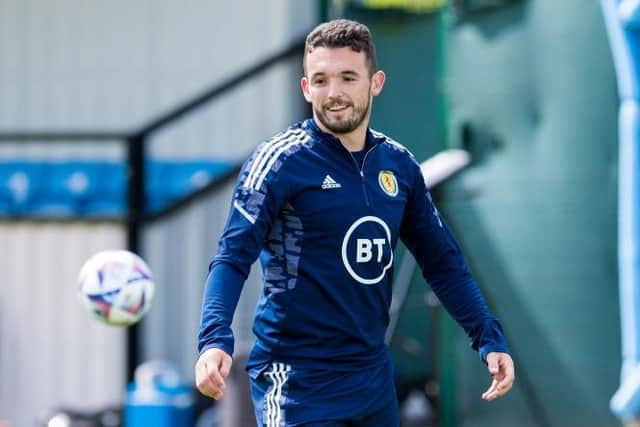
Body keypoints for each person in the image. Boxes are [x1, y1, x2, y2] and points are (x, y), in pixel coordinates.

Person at [195, 18, 514, 426]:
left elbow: (442, 262)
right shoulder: (279, 161)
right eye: (322, 80)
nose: (334, 93)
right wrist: (213, 340)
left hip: (372, 381)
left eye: (348, 77)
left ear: (375, 82)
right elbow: (231, 257)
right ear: (306, 87)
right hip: (296, 381)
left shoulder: (398, 166)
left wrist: (487, 336)